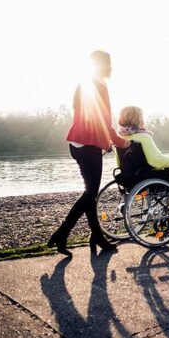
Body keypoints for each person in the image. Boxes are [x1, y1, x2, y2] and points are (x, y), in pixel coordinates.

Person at [47, 50, 130, 257]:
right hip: (88, 145)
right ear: (106, 66)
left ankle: (96, 236)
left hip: (77, 144)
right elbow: (103, 121)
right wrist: (121, 142)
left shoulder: (83, 84)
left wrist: (106, 141)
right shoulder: (99, 87)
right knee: (90, 193)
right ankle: (62, 232)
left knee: (90, 194)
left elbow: (90, 120)